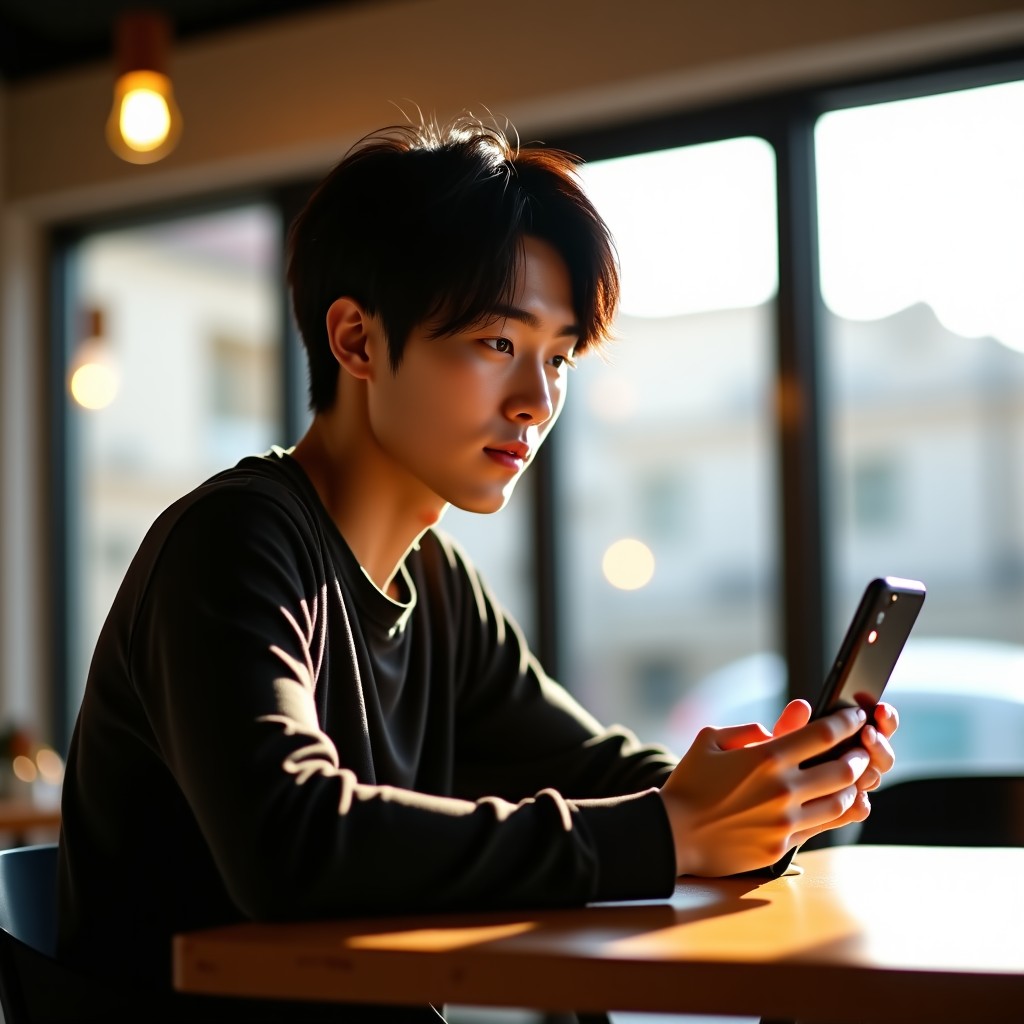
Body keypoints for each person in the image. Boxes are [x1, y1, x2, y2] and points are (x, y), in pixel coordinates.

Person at [56, 116, 897, 1022]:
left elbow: (593, 769)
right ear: (357, 342)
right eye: (499, 343)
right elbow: (293, 846)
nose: (536, 402)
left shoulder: (438, 582)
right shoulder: (233, 542)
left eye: (560, 355)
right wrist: (668, 831)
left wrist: (760, 799)